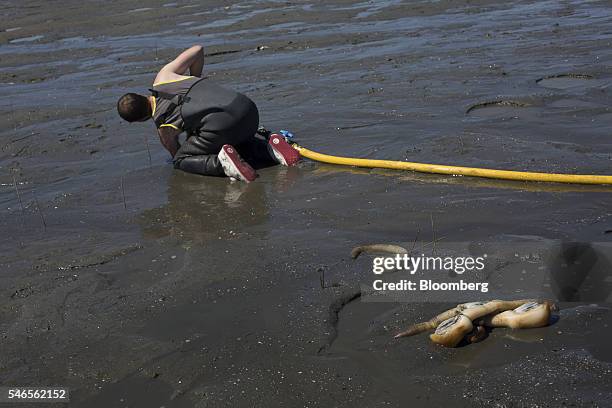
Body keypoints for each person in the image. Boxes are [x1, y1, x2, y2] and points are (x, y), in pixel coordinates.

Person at [116, 45, 300, 182]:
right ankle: (269, 148)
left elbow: (178, 153)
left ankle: (222, 164)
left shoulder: (163, 127)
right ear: (141, 95)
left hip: (223, 125)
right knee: (235, 138)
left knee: (182, 160)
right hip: (249, 109)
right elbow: (198, 49)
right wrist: (195, 78)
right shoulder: (164, 77)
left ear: (139, 120)